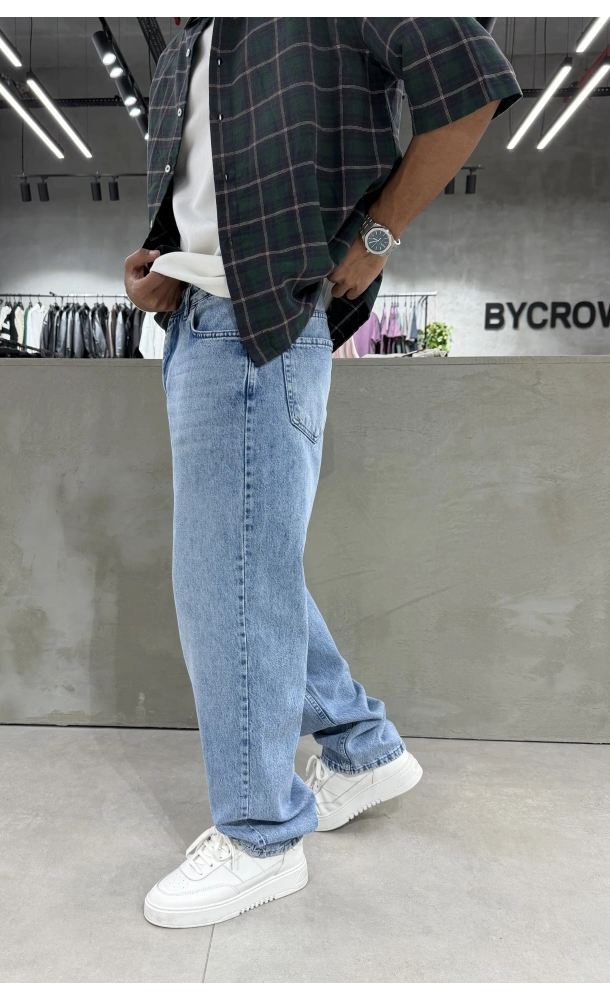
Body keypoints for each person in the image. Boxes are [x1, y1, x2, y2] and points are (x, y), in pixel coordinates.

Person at [124, 17, 521, 929]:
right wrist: (160, 266)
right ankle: (359, 748)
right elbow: (210, 192)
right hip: (197, 320)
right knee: (242, 573)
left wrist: (376, 236)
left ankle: (261, 838)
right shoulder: (191, 37)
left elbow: (469, 83)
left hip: (256, 322)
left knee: (227, 582)